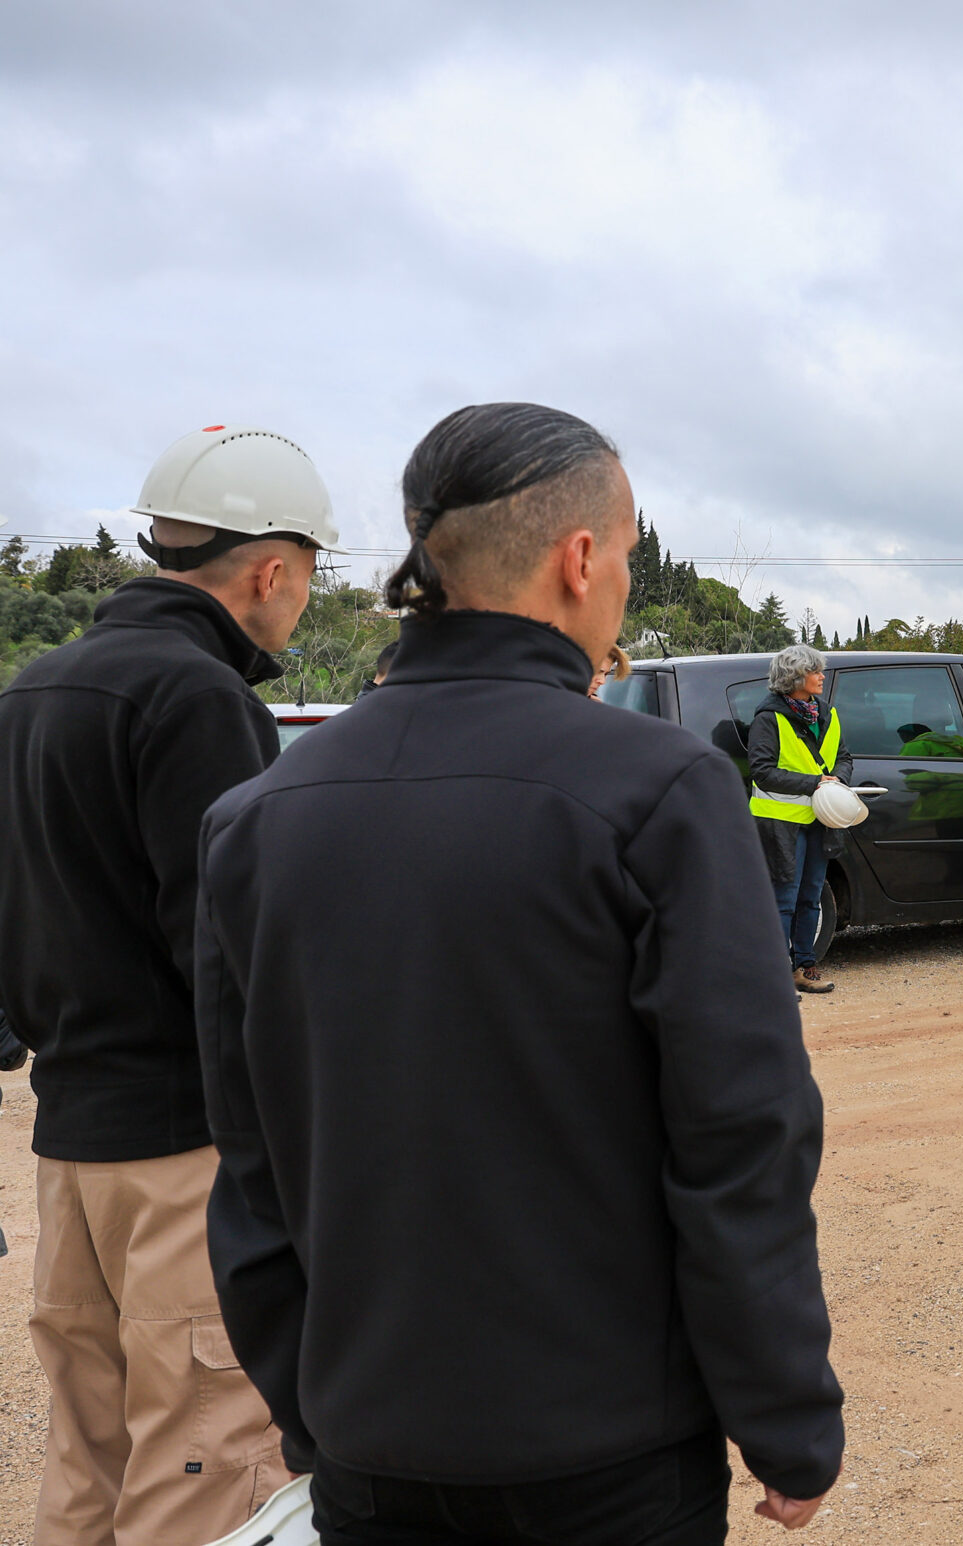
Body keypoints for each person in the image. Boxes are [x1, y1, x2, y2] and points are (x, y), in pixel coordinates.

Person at [195, 402, 841, 1544]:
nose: (625, 585)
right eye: (631, 558)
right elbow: (740, 1132)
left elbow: (249, 1155)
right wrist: (783, 1410)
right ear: (579, 558)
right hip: (604, 1451)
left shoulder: (256, 818)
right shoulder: (660, 791)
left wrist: (316, 1405)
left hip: (368, 1443)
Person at [0, 424, 333, 1543]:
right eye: (307, 579)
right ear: (270, 570)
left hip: (71, 1147)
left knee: (89, 1454)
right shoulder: (196, 698)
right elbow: (233, 954)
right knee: (202, 1453)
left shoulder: (33, 690)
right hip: (184, 1151)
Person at [749, 643, 841, 994]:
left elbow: (843, 757)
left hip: (820, 818)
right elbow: (762, 772)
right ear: (794, 677)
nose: (821, 676)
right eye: (814, 670)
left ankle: (804, 968)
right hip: (780, 822)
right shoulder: (768, 718)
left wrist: (836, 779)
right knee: (783, 901)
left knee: (810, 896)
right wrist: (816, 782)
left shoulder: (827, 713)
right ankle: (775, 977)